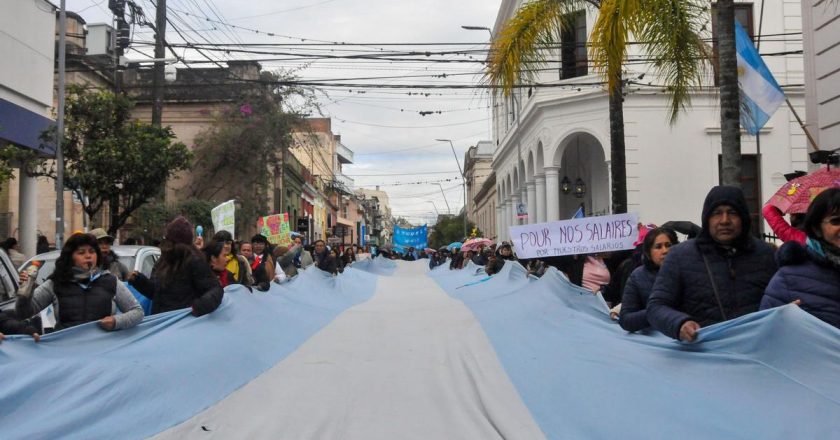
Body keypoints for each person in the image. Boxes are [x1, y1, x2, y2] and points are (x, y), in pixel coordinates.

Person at [647, 186, 777, 342]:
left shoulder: (765, 254)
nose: (725, 221)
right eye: (717, 213)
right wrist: (679, 323)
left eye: (732, 213)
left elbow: (779, 300)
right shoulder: (679, 256)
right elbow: (656, 307)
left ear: (743, 217)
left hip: (756, 352)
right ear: (706, 218)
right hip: (702, 356)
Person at [16, 233, 143, 331]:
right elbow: (24, 313)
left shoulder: (111, 281)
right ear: (70, 257)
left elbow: (137, 312)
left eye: (92, 252)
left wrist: (116, 322)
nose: (88, 256)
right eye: (81, 253)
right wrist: (25, 294)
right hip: (66, 352)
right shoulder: (56, 283)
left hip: (102, 353)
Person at [761, 188, 840, 328]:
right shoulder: (788, 280)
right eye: (836, 221)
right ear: (816, 228)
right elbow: (764, 333)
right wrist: (779, 323)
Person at [129, 216, 223, 316]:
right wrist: (138, 280)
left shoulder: (195, 262)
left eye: (169, 240)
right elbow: (156, 293)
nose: (165, 244)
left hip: (184, 325)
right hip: (161, 322)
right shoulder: (162, 262)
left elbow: (215, 290)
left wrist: (197, 308)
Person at [619, 228, 678, 332]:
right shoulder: (637, 277)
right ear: (648, 253)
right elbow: (626, 320)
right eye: (658, 247)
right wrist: (656, 312)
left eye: (669, 245)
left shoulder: (686, 270)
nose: (665, 251)